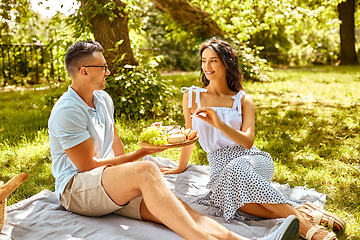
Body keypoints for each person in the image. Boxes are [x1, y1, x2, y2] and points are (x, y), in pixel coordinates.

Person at [48, 40, 300, 240]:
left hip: (105, 184)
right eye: (103, 67)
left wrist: (131, 164)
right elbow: (87, 167)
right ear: (83, 71)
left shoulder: (103, 99)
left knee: (177, 208)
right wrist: (142, 154)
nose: (108, 71)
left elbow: (114, 140)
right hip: (76, 189)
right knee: (147, 169)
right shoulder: (69, 110)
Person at [160, 38, 345, 240]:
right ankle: (301, 210)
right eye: (204, 61)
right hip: (218, 167)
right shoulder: (192, 96)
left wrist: (218, 123)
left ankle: (304, 226)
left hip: (251, 160)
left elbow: (247, 141)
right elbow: (190, 135)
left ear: (226, 63)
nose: (207, 66)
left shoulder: (243, 100)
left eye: (213, 60)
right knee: (230, 202)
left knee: (236, 170)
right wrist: (180, 166)